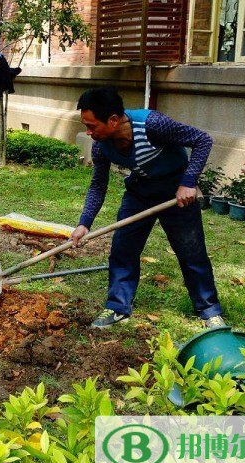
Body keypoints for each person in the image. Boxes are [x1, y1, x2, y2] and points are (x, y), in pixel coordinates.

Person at [71, 88, 225, 329]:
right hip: (140, 192)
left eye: (92, 126)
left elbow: (202, 140)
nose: (89, 133)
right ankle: (117, 306)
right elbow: (98, 185)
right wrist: (84, 223)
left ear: (113, 120)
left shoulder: (153, 124)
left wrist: (188, 182)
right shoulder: (102, 146)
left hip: (176, 192)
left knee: (191, 252)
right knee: (123, 248)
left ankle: (209, 311)